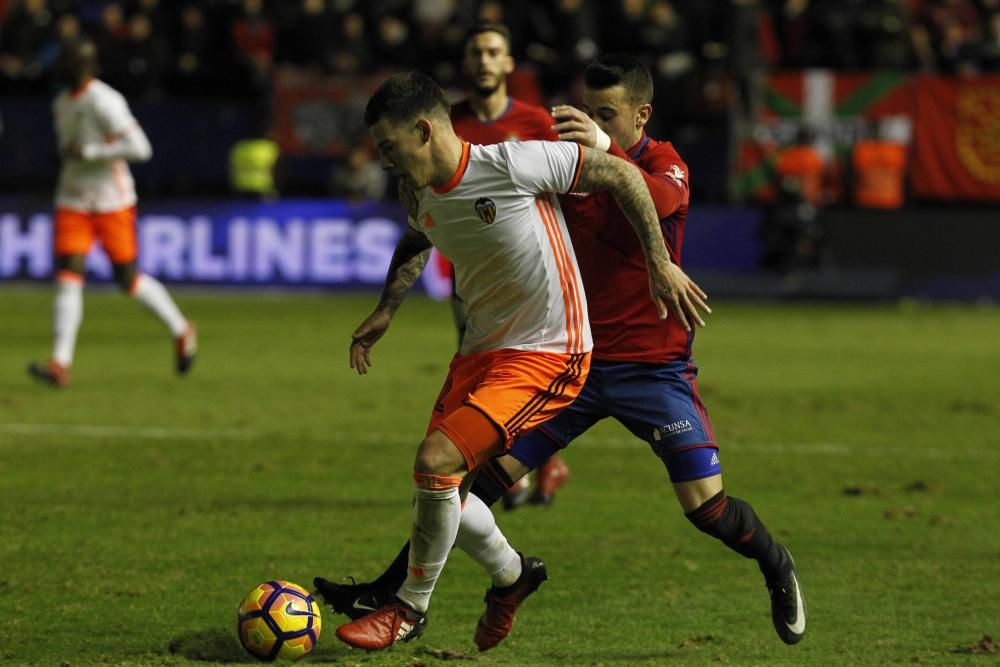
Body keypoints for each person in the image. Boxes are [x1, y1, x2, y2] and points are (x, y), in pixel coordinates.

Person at [316, 55, 805, 650]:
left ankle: (777, 564)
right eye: (586, 110)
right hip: (562, 359)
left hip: (650, 368)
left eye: (605, 114)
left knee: (706, 510)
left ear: (639, 116)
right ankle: (400, 593)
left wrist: (627, 194)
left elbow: (651, 195)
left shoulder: (662, 162)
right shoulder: (554, 166)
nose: (587, 123)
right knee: (461, 480)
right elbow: (444, 217)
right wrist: (391, 304)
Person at [448, 22, 569, 509]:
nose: (483, 60)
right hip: (474, 274)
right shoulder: (448, 123)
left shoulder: (537, 122)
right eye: (476, 52)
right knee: (482, 371)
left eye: (493, 52)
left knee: (526, 369)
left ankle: (522, 464)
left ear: (508, 64)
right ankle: (531, 464)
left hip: (534, 278)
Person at [28, 39, 196, 387]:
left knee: (127, 279)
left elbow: (140, 148)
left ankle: (181, 329)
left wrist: (91, 152)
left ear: (86, 66)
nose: (66, 67)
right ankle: (60, 363)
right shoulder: (61, 102)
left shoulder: (104, 100)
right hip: (72, 198)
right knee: (69, 275)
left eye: (72, 60)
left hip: (111, 200)